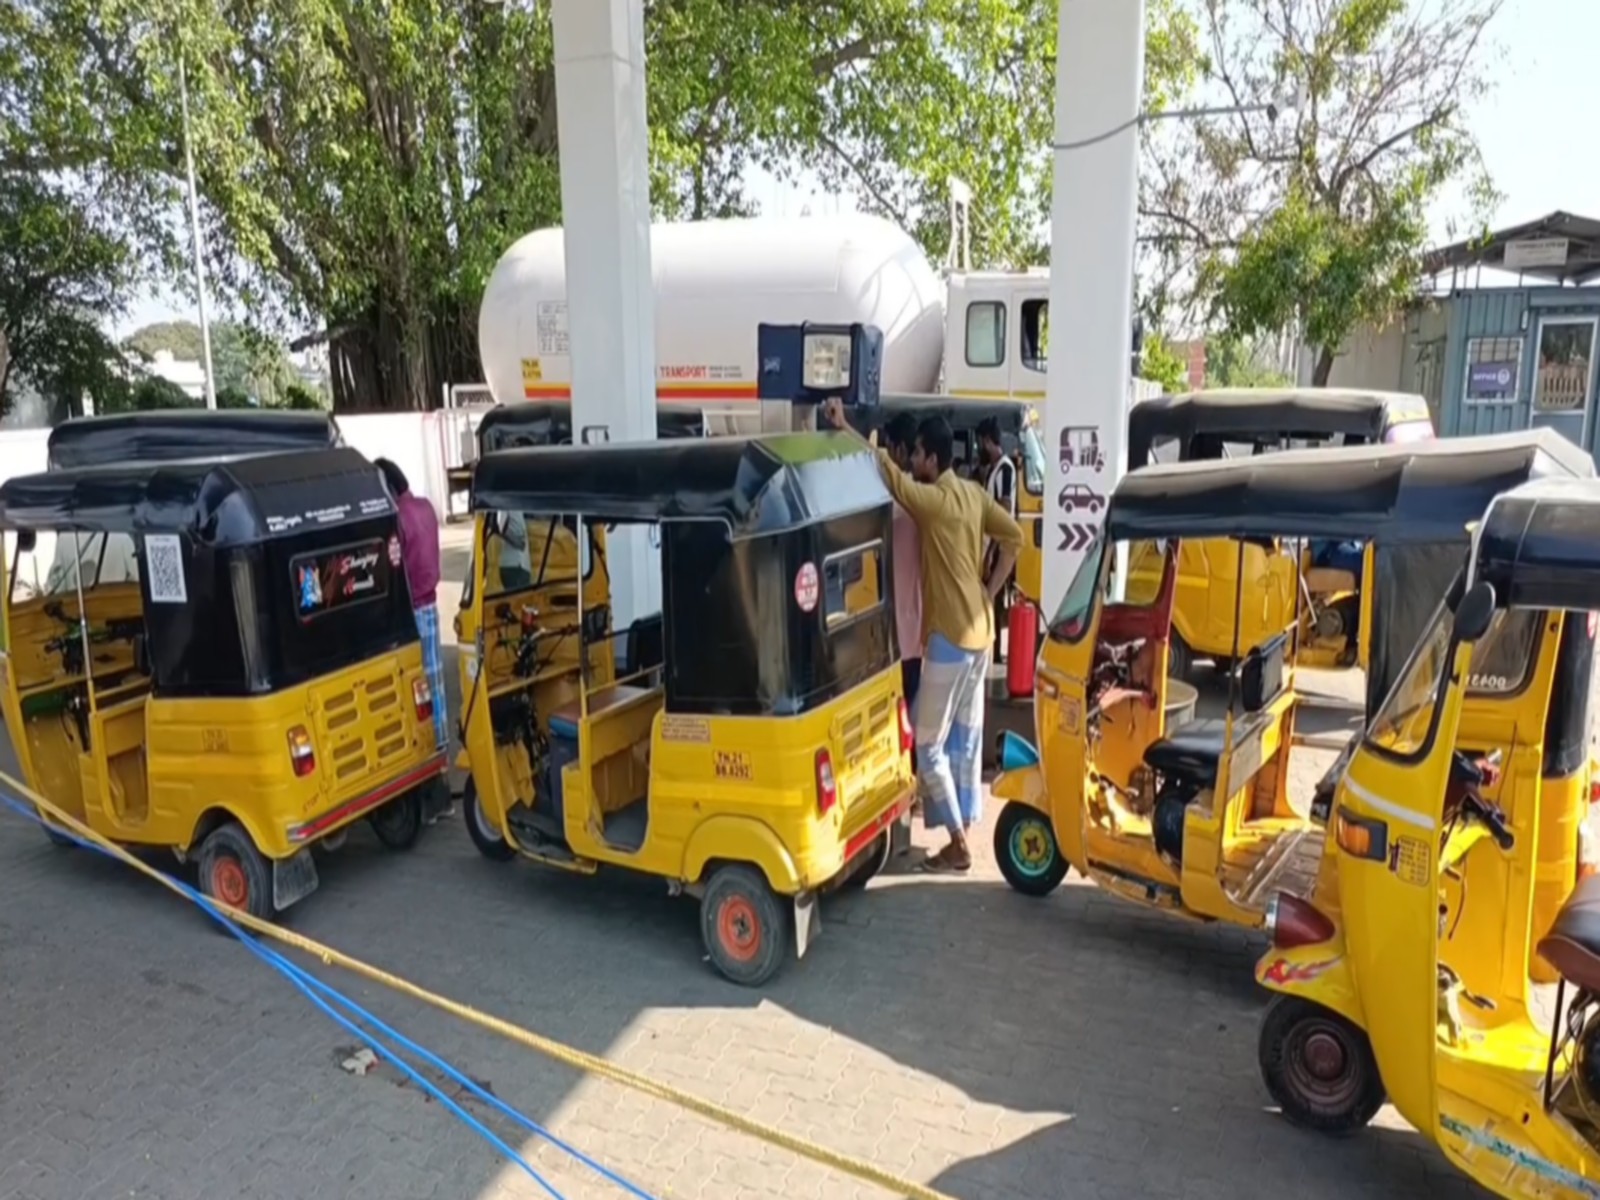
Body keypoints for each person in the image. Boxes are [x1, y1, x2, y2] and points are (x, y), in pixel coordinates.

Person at [823, 399, 1023, 873]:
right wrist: (988, 590)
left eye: (916, 454)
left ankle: (957, 842)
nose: (912, 461)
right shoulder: (973, 495)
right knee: (966, 736)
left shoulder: (931, 504)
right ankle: (965, 825)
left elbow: (886, 472)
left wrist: (846, 427)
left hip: (950, 637)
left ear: (931, 460)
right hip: (982, 632)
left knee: (926, 739)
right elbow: (1014, 535)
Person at [375, 459, 451, 814]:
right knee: (435, 690)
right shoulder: (425, 508)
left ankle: (426, 781)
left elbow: (393, 570)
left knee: (415, 696)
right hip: (433, 608)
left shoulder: (397, 520)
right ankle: (442, 770)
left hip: (411, 614)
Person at [882, 413, 925, 711]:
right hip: (918, 630)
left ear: (898, 450)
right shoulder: (926, 498)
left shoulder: (894, 502)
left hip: (896, 633)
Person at [976, 416, 1018, 660]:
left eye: (981, 443)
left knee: (994, 597)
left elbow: (1003, 509)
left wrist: (991, 550)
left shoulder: (1004, 469)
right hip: (994, 543)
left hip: (1000, 545)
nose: (980, 449)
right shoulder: (994, 469)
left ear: (988, 441)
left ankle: (993, 652)